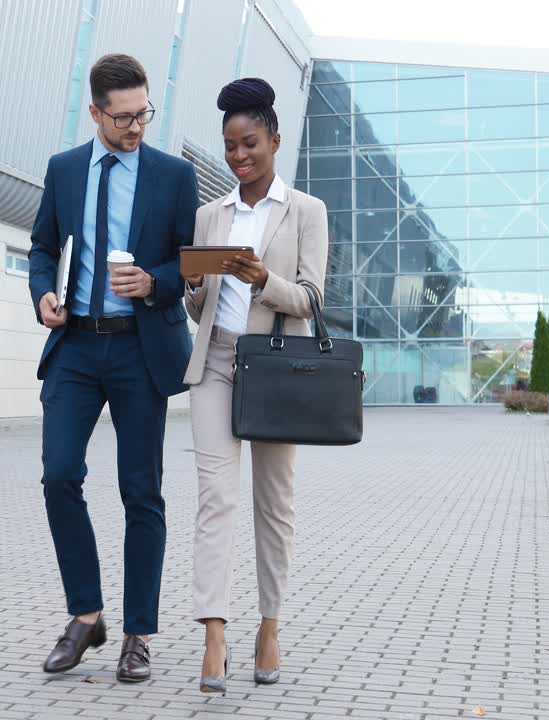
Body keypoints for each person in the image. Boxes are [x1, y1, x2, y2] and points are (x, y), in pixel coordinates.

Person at [27, 53, 198, 683]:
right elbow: (44, 246)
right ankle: (86, 616)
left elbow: (192, 261)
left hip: (139, 349)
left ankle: (137, 634)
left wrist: (154, 281)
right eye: (123, 117)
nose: (136, 127)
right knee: (58, 475)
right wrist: (42, 293)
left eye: (144, 113)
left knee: (140, 492)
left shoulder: (173, 176)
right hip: (74, 348)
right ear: (95, 111)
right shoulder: (65, 169)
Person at [181, 77, 328, 694]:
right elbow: (201, 307)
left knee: (275, 504)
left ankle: (269, 626)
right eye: (230, 148)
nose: (238, 158)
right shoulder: (211, 214)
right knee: (216, 499)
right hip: (215, 365)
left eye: (249, 145)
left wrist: (264, 278)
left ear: (273, 139)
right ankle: (215, 635)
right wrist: (194, 289)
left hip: (276, 370)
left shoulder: (306, 211)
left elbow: (313, 299)